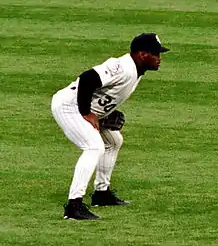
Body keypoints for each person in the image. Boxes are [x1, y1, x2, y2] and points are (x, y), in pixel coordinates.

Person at [51, 33, 170, 220]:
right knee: (94, 146)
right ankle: (74, 206)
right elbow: (87, 79)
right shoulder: (122, 67)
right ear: (142, 54)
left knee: (113, 141)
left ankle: (101, 193)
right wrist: (87, 113)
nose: (159, 58)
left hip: (83, 106)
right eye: (156, 54)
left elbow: (103, 95)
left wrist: (105, 115)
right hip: (69, 106)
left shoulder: (137, 70)